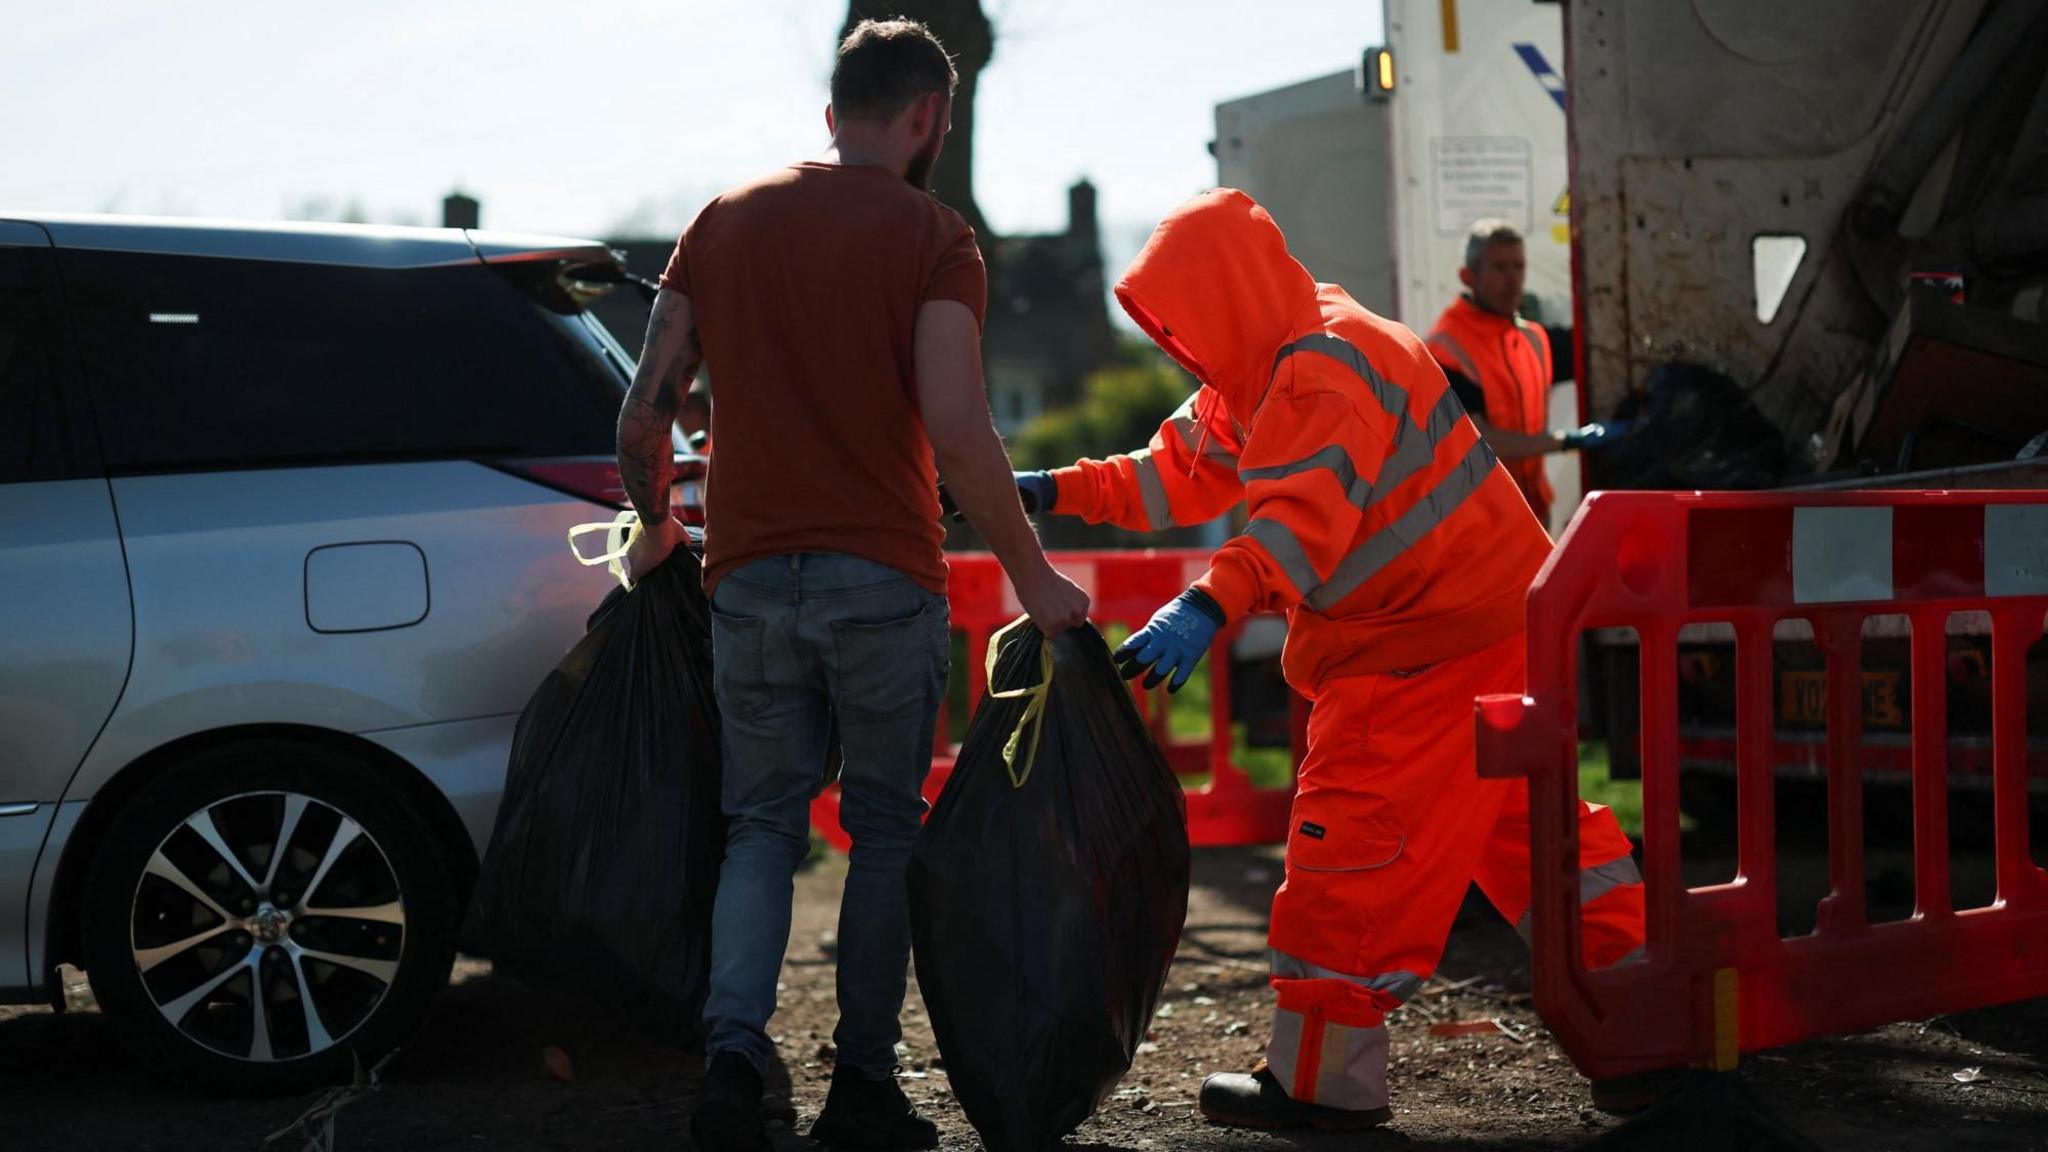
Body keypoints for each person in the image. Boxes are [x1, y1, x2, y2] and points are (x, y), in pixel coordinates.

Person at [1016, 189, 1648, 1130]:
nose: (1175, 342)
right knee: (1541, 838)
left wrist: (1205, 602)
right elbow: (1172, 470)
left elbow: (1295, 527)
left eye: (1181, 319)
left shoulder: (1316, 372)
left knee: (1344, 850)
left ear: (1224, 295)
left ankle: (1323, 1085)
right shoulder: (1285, 350)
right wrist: (1047, 489)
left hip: (1413, 651)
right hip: (1483, 628)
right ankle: (1652, 1022)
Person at [613, 18, 1090, 1152]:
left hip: (747, 582)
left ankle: (731, 1056)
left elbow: (643, 410)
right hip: (881, 576)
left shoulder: (721, 224)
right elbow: (961, 433)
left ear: (833, 114)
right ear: (930, 116)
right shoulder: (936, 238)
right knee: (881, 834)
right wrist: (1032, 580)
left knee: (759, 827)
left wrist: (655, 526)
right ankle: (861, 1090)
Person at [1424, 220, 1617, 526]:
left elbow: (1594, 352)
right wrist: (1568, 440)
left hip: (1534, 510)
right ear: (1468, 276)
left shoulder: (1533, 339)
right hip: (1478, 520)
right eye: (1499, 268)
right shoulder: (1446, 348)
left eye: (1518, 267)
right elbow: (1481, 440)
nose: (1512, 280)